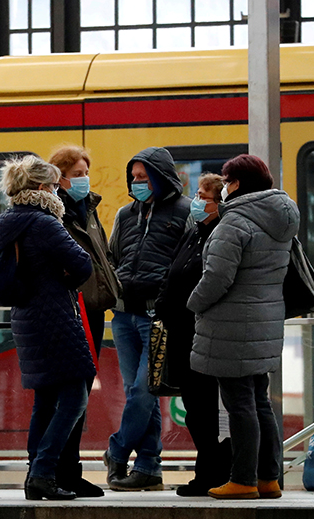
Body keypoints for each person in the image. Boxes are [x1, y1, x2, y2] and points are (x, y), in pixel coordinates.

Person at [187, 154, 299, 500]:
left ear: (236, 184)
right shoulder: (279, 218)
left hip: (232, 325)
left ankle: (243, 479)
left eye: (226, 179)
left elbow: (217, 277)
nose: (221, 186)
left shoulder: (234, 222)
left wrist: (193, 303)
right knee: (259, 401)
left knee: (240, 404)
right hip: (264, 323)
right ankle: (269, 477)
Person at [0, 155, 95, 500]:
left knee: (46, 401)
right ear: (40, 188)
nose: (58, 191)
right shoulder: (45, 222)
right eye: (54, 185)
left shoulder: (8, 221)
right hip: (54, 318)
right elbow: (82, 263)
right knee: (74, 398)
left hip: (26, 318)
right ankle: (43, 471)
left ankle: (35, 475)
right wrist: (64, 276)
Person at [105, 146, 190, 491]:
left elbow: (188, 261)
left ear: (160, 176)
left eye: (143, 177)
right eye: (134, 177)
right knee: (139, 392)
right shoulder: (126, 214)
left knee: (144, 390)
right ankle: (149, 467)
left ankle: (117, 448)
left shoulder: (185, 213)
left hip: (159, 316)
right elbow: (113, 255)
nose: (137, 183)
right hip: (124, 315)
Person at [48, 145, 119, 498]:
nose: (84, 179)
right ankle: (56, 470)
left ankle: (67, 469)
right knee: (68, 395)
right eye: (77, 174)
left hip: (91, 308)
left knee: (79, 394)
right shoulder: (56, 212)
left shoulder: (86, 209)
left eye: (85, 172)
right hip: (69, 308)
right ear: (59, 176)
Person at [155, 172, 232, 496]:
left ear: (219, 204)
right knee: (194, 408)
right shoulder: (195, 233)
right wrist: (162, 302)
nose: (197, 202)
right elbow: (174, 272)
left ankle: (213, 473)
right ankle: (207, 471)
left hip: (202, 333)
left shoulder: (220, 236)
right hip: (181, 335)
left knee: (205, 409)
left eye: (204, 197)